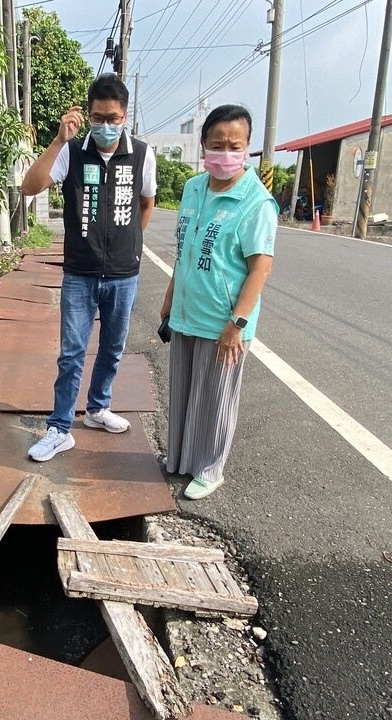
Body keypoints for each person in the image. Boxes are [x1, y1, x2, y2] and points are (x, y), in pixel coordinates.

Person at [20, 73, 158, 462]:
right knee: (72, 353)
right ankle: (60, 427)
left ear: (125, 116)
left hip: (123, 275)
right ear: (88, 115)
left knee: (113, 348)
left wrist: (127, 246)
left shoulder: (143, 154)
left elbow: (146, 204)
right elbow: (29, 187)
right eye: (98, 118)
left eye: (113, 118)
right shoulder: (73, 150)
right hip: (79, 273)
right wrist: (59, 139)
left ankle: (98, 409)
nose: (106, 126)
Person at [159, 104, 276, 499]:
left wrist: (237, 324)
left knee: (217, 397)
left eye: (234, 145)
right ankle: (179, 460)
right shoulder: (194, 188)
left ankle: (211, 469)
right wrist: (169, 300)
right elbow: (185, 250)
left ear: (246, 148)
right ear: (204, 146)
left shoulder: (255, 203)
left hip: (224, 321)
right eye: (216, 144)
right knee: (184, 390)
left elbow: (260, 268)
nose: (225, 153)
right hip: (187, 311)